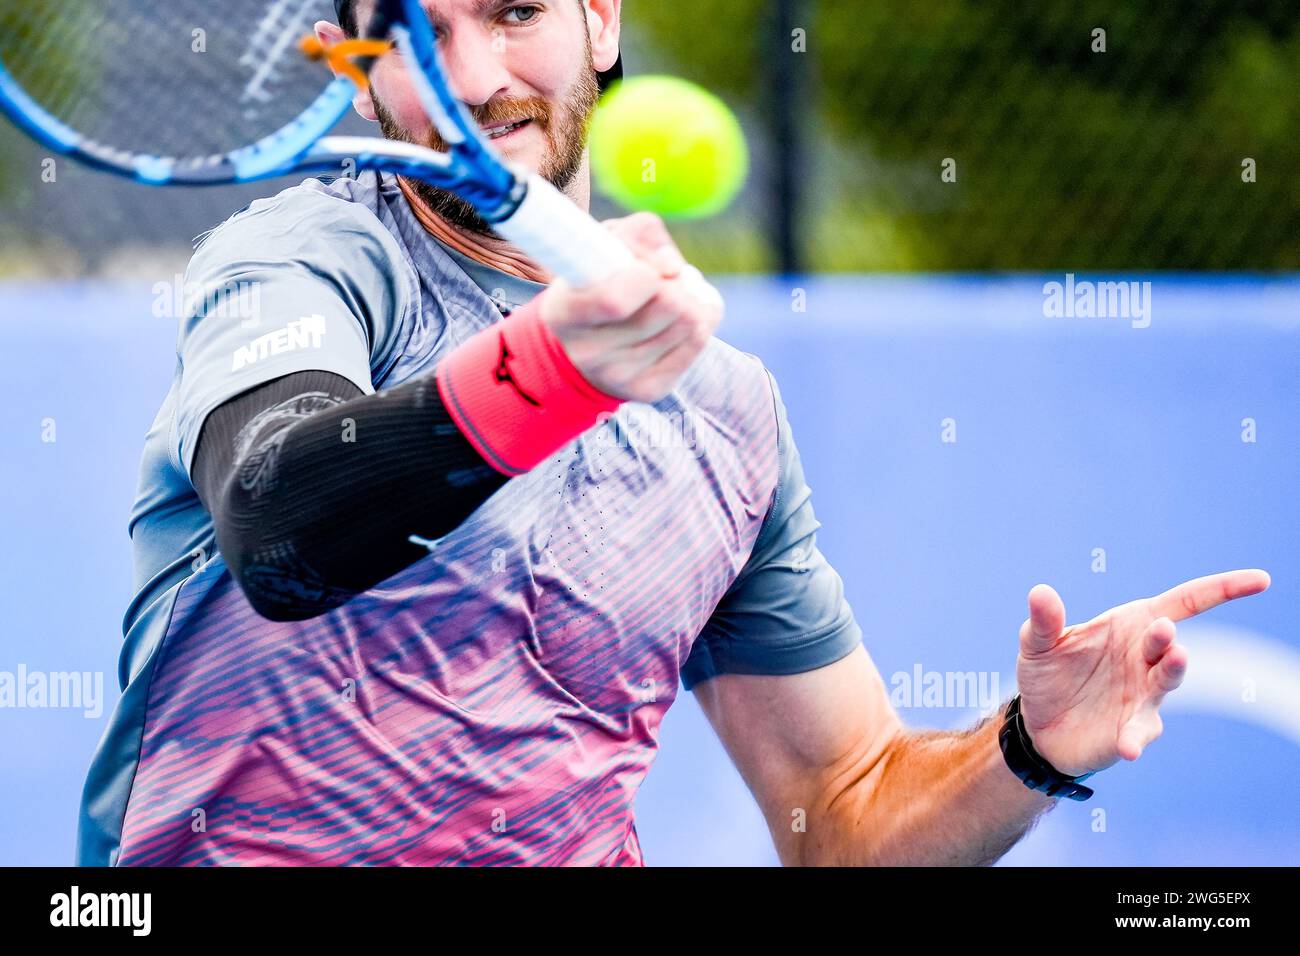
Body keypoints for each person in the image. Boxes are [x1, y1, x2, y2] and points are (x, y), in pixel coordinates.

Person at [77, 0, 1270, 866]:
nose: (474, 76)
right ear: (354, 68)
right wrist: (552, 368)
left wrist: (1029, 749)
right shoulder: (299, 261)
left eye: (514, 14)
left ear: (601, 21)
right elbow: (279, 527)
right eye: (416, 33)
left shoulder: (723, 409)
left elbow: (841, 811)